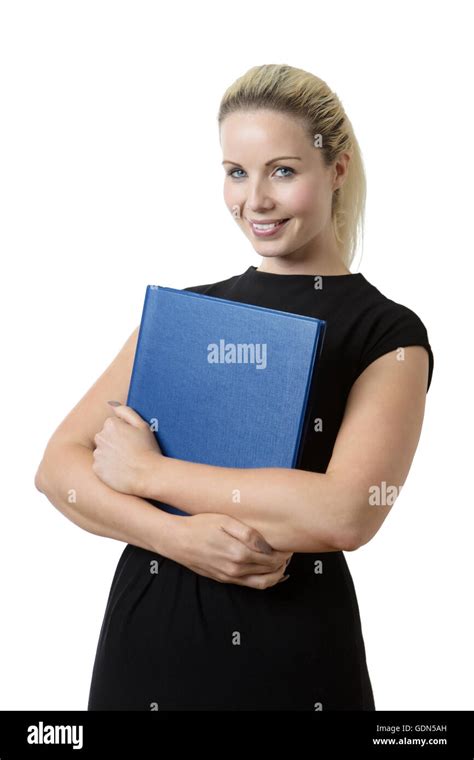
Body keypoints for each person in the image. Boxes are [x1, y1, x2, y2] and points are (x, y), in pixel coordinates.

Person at [35, 63, 434, 711]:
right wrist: (175, 538)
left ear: (336, 168)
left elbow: (346, 512)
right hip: (148, 637)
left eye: (283, 170)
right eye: (236, 172)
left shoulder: (386, 332)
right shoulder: (184, 314)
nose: (255, 200)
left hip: (289, 645)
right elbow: (57, 469)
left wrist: (149, 475)